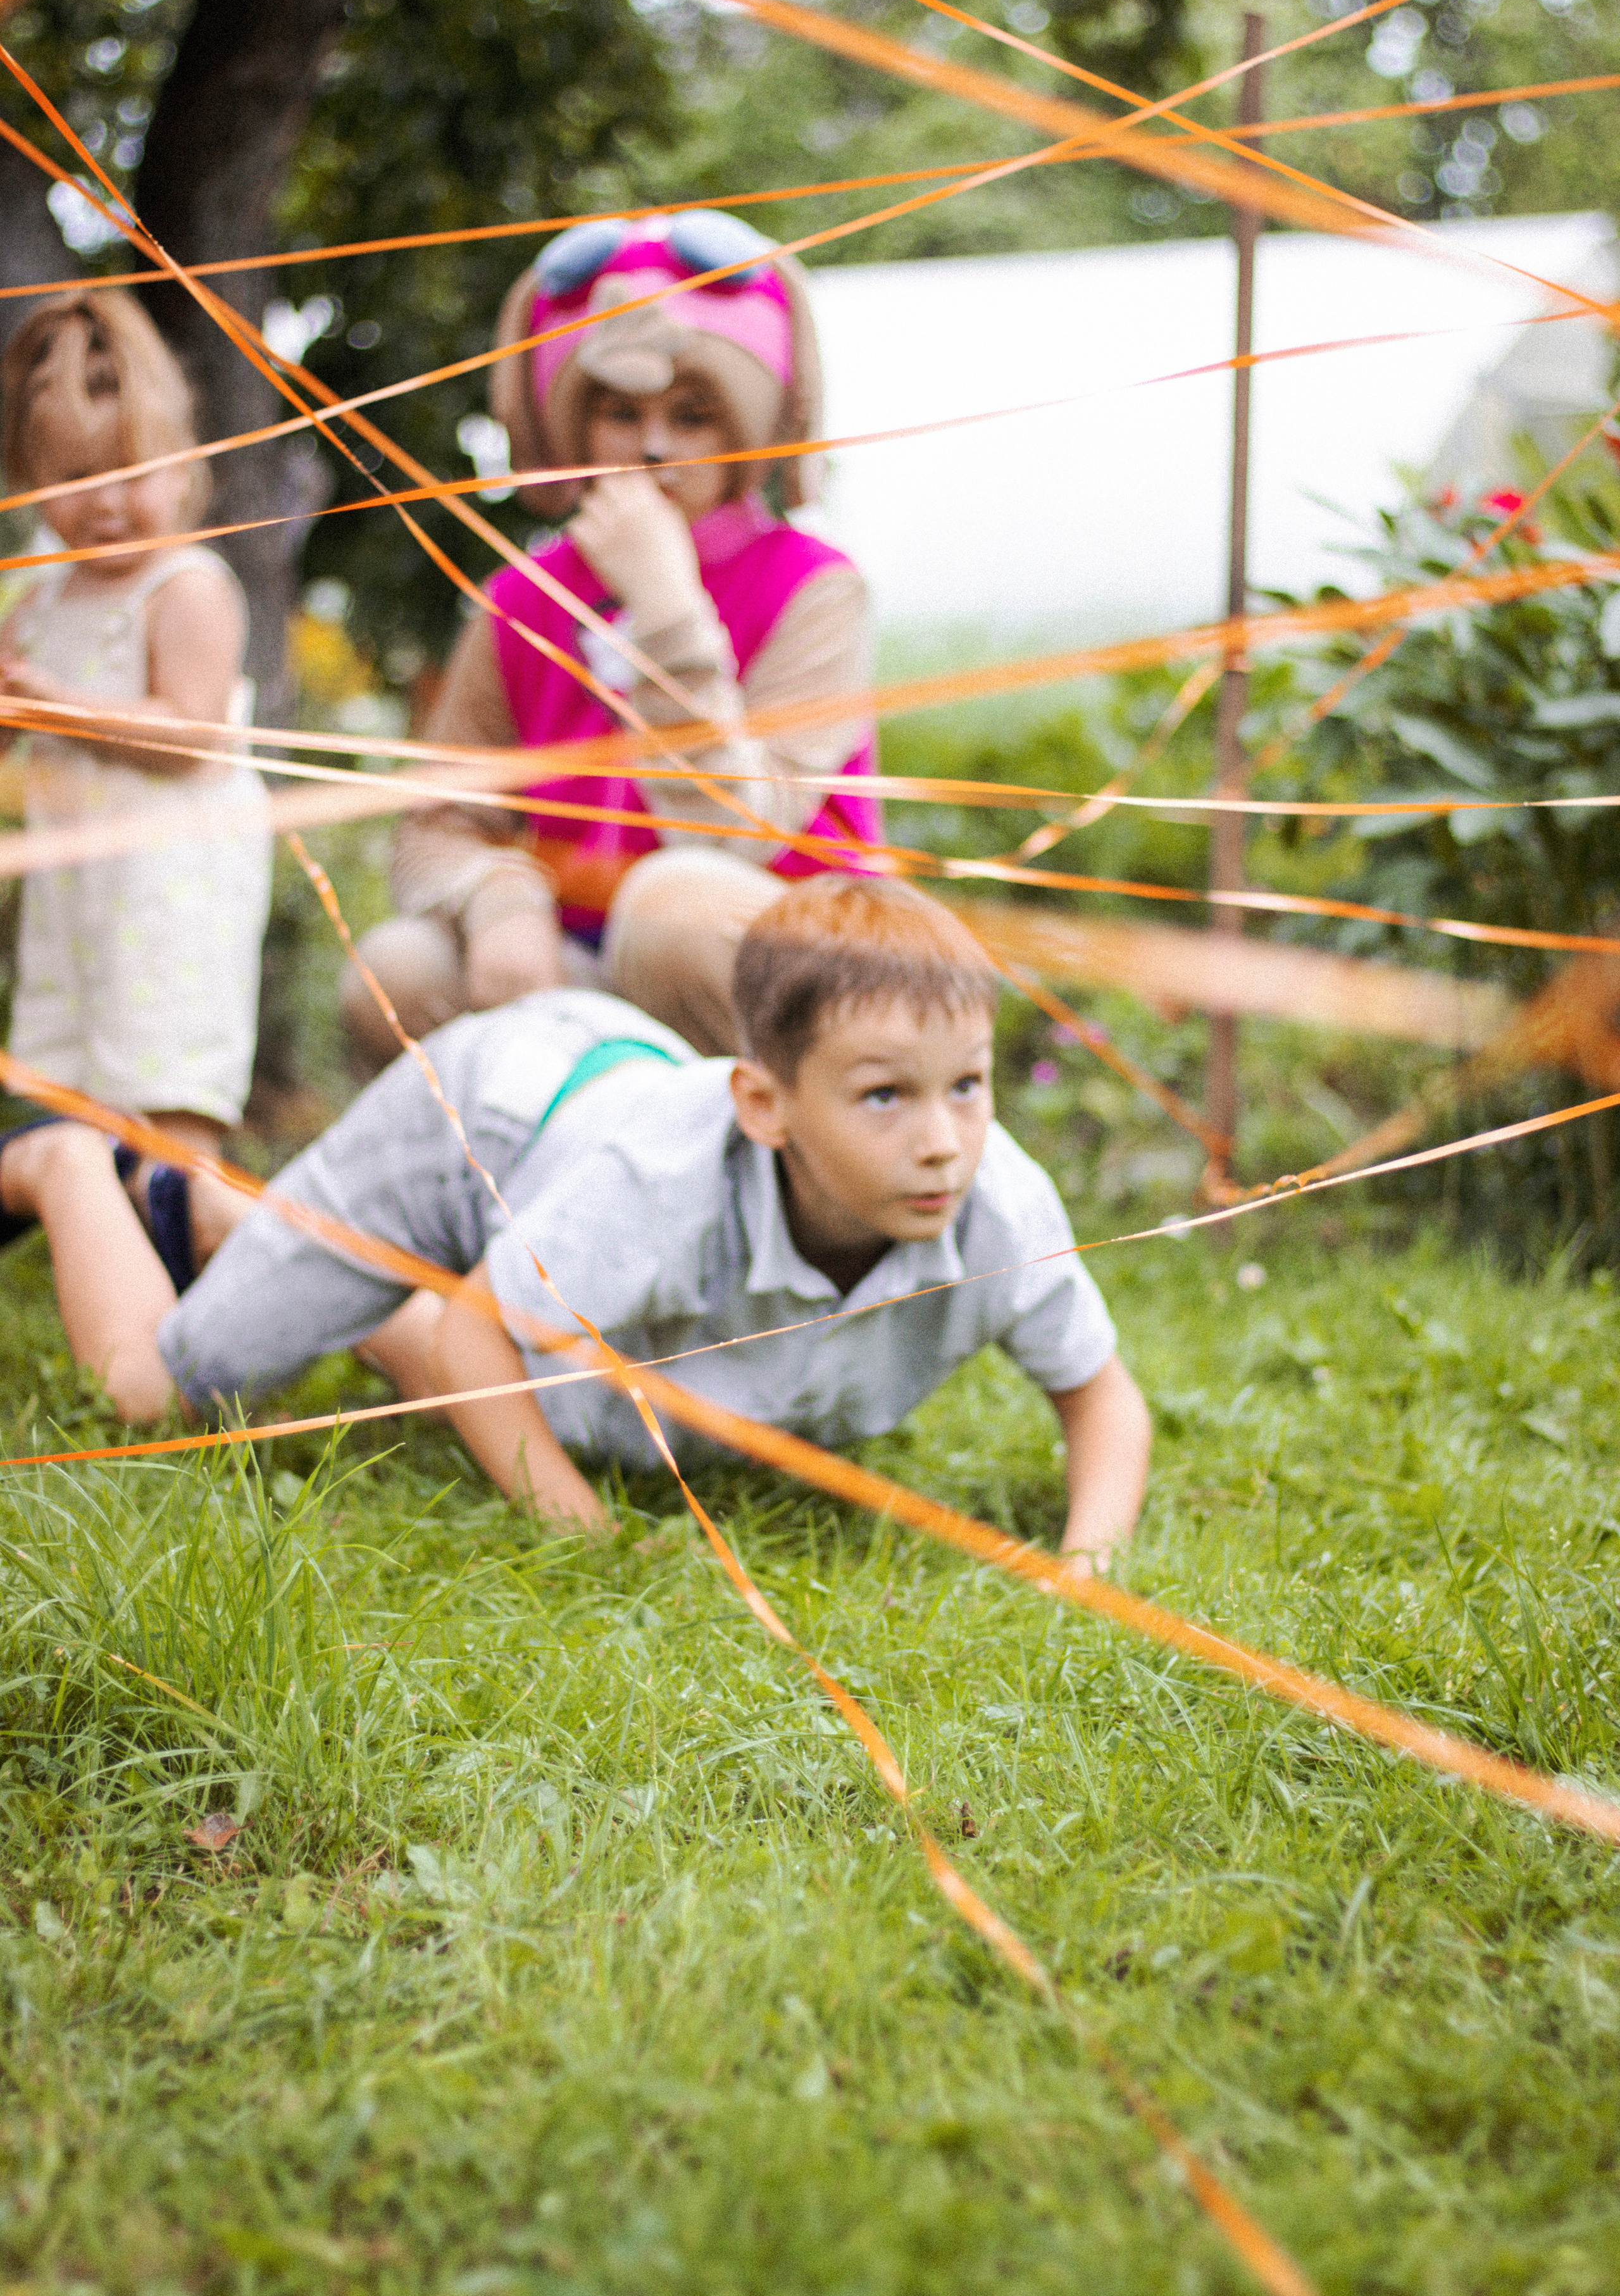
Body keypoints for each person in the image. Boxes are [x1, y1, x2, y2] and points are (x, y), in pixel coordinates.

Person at [1, 880, 1150, 1568]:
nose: (944, 1140)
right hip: (482, 1120)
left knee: (531, 1347)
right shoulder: (657, 1187)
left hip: (595, 1123)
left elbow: (1103, 1397)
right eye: (886, 1095)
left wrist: (1085, 1566)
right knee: (159, 1397)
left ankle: (261, 1230)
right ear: (765, 1105)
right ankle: (67, 1164)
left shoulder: (996, 1202)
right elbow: (478, 1335)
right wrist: (578, 1527)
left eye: (968, 1085)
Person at [343, 209, 881, 1067]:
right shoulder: (524, 599)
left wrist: (665, 607)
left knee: (674, 910)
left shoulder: (815, 588)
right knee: (397, 971)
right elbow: (437, 824)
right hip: (585, 958)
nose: (654, 447)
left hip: (777, 960)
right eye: (622, 415)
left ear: (746, 428)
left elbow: (738, 834)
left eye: (693, 418)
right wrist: (500, 895)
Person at [0, 291, 271, 1160]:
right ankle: (93, 1219)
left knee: (167, 1106)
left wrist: (56, 703)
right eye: (76, 477)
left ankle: (181, 1214)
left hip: (170, 901)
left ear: (185, 467)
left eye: (132, 472)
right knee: (74, 1105)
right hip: (76, 899)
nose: (106, 502)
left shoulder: (185, 588)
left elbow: (192, 737)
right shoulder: (38, 603)